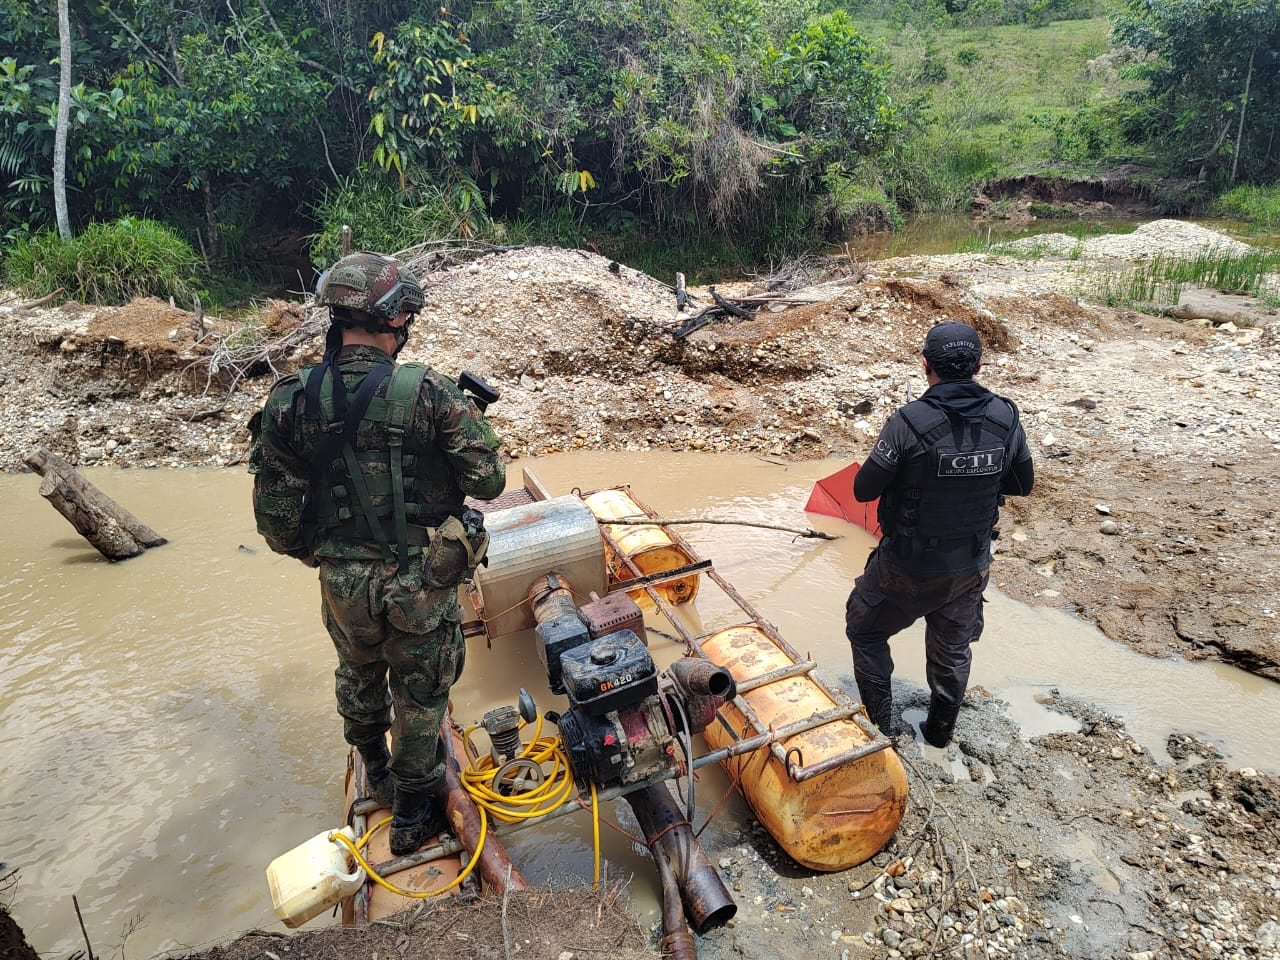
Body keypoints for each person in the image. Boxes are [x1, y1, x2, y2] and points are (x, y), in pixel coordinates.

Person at [249, 252, 505, 856]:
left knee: (357, 671)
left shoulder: (292, 399)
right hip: (421, 580)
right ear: (395, 319)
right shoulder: (431, 393)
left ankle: (374, 768)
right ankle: (414, 816)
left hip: (343, 582)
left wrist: (324, 555)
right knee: (421, 696)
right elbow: (490, 480)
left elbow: (275, 520)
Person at [845, 320, 1033, 748]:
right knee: (952, 651)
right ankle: (939, 734)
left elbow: (862, 490)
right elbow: (1023, 484)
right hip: (969, 566)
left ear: (925, 364)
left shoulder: (908, 423)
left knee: (866, 630)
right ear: (978, 365)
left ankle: (884, 729)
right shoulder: (1005, 416)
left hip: (906, 567)